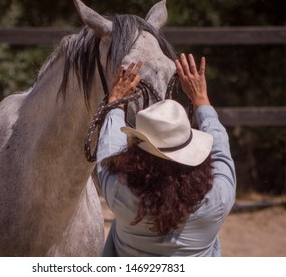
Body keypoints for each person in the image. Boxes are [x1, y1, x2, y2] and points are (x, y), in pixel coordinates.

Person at [96, 53, 236, 256]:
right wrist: (201, 100)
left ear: (139, 157)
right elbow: (221, 150)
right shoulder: (219, 198)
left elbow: (108, 151)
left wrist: (117, 102)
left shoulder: (120, 194)